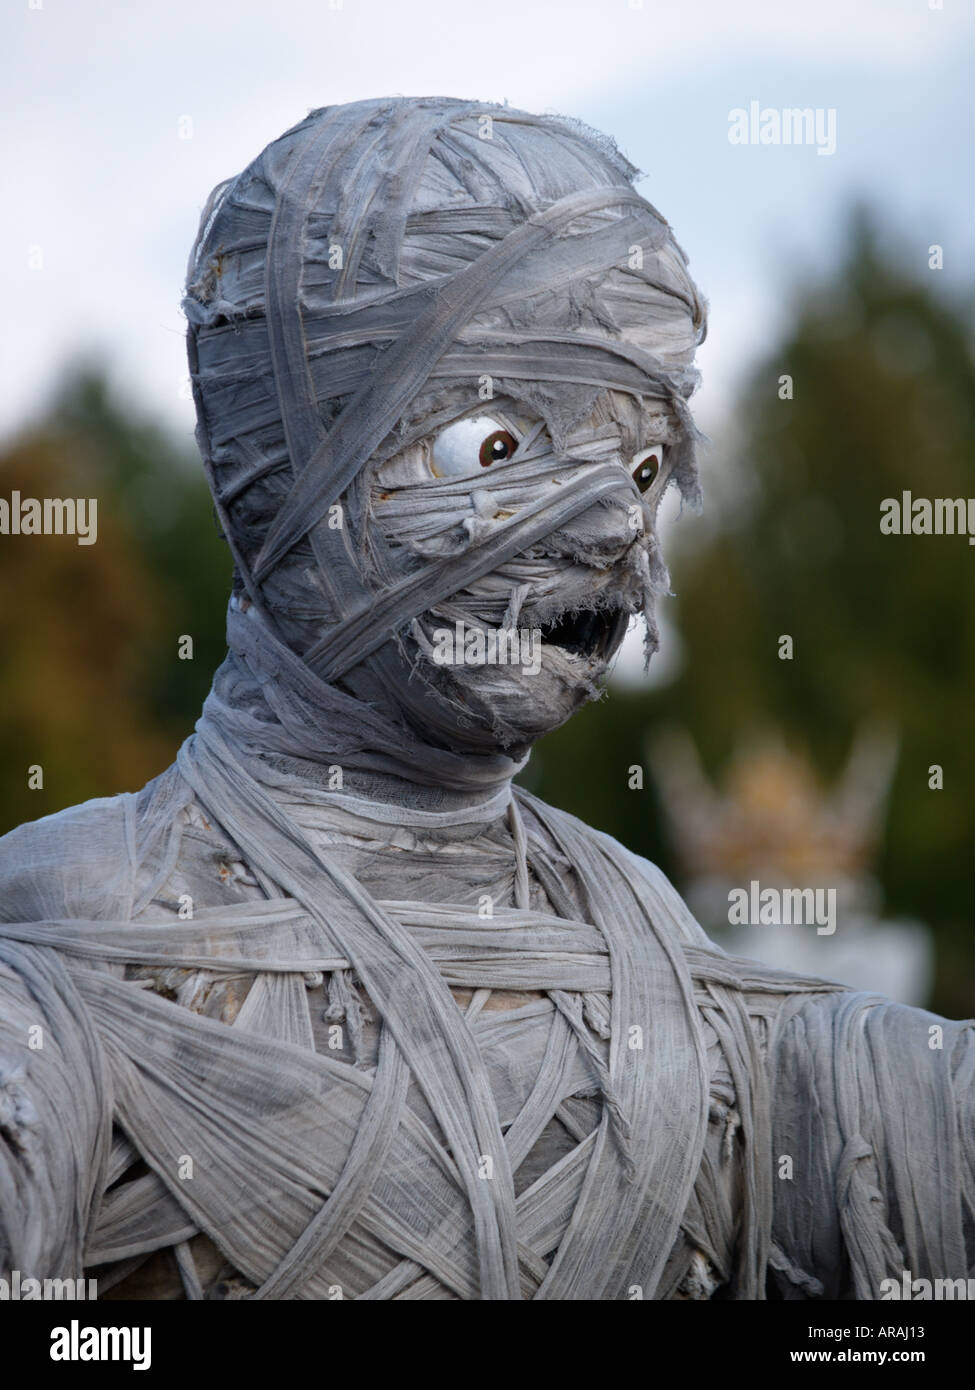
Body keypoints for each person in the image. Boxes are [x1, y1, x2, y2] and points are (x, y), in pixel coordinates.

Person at [0, 96, 971, 1301]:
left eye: (642, 465)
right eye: (498, 447)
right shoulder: (69, 959)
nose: (618, 524)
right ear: (288, 467)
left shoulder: (667, 974)